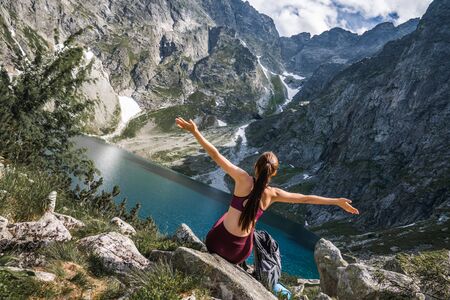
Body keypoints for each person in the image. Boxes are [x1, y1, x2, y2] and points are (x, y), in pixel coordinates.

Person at [175, 117, 359, 265]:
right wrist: (336, 201)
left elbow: (215, 154)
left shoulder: (242, 179)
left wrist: (195, 131)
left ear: (256, 166)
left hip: (216, 244)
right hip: (237, 254)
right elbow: (305, 199)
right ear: (274, 172)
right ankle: (241, 263)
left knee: (224, 217)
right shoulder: (273, 194)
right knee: (252, 229)